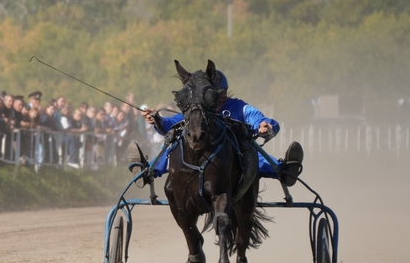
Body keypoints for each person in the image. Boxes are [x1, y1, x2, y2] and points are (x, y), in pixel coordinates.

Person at [130, 71, 304, 186]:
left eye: (219, 94)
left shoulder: (238, 107)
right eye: (211, 94)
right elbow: (171, 125)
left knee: (251, 153)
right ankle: (149, 171)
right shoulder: (197, 110)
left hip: (234, 154)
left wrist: (265, 125)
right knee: (176, 147)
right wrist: (157, 120)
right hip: (202, 156)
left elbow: (259, 118)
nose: (216, 98)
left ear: (225, 92)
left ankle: (282, 171)